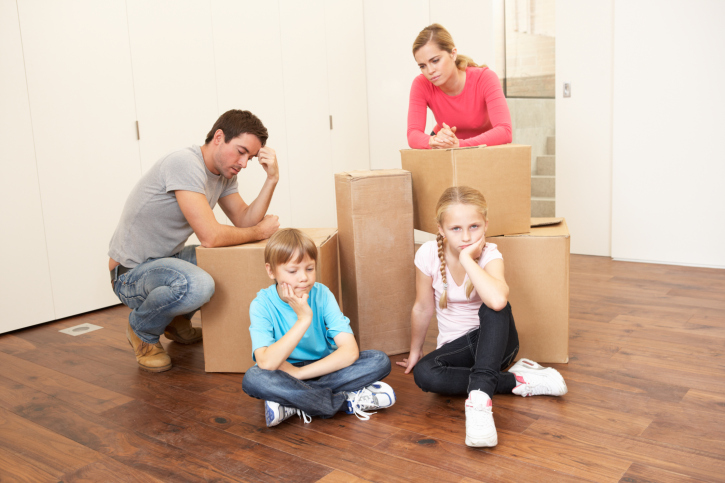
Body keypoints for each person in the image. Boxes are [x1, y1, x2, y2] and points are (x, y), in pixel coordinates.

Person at [109, 109, 281, 373]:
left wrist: (272, 179)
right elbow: (211, 237)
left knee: (231, 261)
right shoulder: (184, 163)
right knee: (198, 284)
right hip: (129, 274)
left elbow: (245, 221)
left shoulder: (225, 175)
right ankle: (141, 330)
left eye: (251, 157)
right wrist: (260, 232)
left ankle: (175, 321)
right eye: (241, 151)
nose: (244, 163)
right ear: (219, 137)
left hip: (164, 263)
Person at [397, 186, 566, 448]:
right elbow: (422, 307)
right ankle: (518, 380)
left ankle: (479, 402)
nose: (466, 236)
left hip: (498, 344)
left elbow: (498, 300)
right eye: (455, 229)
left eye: (474, 226)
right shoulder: (428, 254)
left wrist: (466, 258)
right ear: (440, 229)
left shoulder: (490, 254)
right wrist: (416, 350)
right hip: (458, 351)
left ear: (486, 225)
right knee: (426, 374)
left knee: (494, 304)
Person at [242, 228, 395, 427]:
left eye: (309, 268)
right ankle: (345, 402)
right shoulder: (261, 304)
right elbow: (267, 363)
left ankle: (292, 402)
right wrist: (303, 319)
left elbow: (349, 352)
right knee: (254, 378)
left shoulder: (322, 294)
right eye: (292, 271)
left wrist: (298, 375)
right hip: (283, 371)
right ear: (271, 271)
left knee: (379, 360)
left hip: (324, 367)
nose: (303, 278)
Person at [407, 23, 512, 150]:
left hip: (485, 147)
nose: (429, 71)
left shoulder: (485, 78)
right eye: (422, 66)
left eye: (435, 61)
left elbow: (505, 131)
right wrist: (434, 141)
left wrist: (460, 145)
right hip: (446, 145)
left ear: (453, 54)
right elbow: (413, 134)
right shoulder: (421, 84)